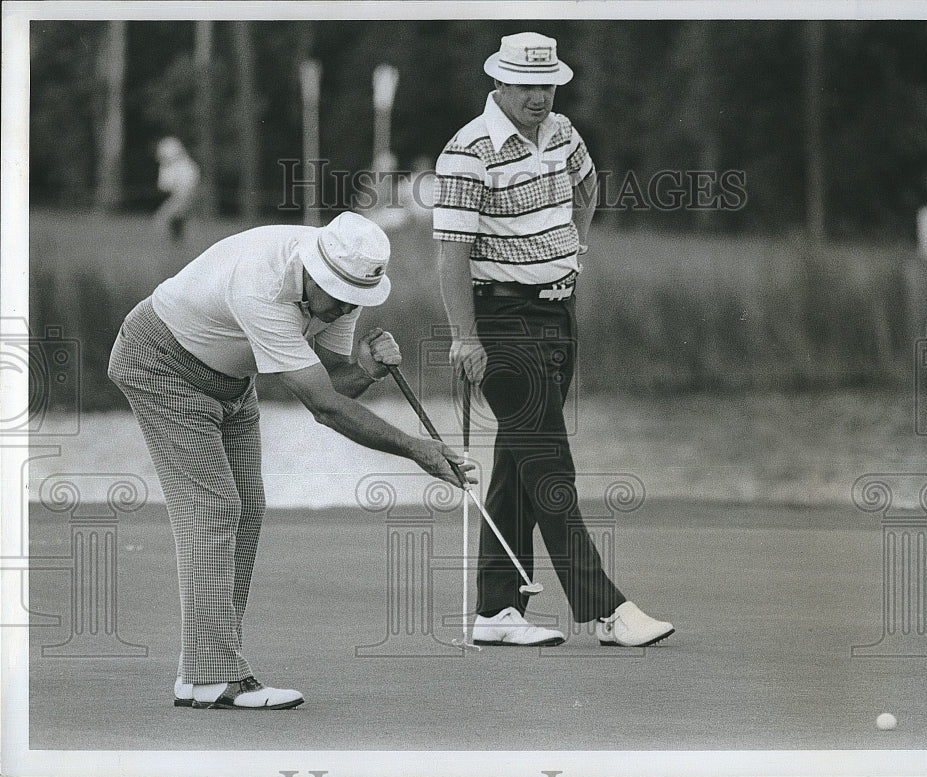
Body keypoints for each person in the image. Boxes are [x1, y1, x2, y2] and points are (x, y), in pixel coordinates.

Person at [108, 211, 472, 709]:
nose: (346, 308)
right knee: (214, 509)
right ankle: (218, 678)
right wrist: (417, 449)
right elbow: (324, 408)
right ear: (315, 273)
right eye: (339, 296)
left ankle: (202, 673)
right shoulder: (263, 286)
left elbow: (333, 382)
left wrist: (364, 367)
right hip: (160, 362)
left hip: (232, 379)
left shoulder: (342, 285)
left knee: (247, 508)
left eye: (355, 299)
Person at [433, 32, 674, 647]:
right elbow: (449, 253)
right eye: (527, 86)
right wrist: (464, 337)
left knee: (520, 461)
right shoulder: (468, 150)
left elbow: (588, 188)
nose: (540, 96)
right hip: (501, 321)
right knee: (550, 464)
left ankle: (495, 610)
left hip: (558, 315)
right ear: (500, 85)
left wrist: (572, 249)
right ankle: (606, 610)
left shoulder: (564, 133)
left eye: (547, 85)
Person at [154, 136, 201, 243]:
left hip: (183, 195)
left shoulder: (183, 165)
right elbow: (165, 186)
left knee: (163, 219)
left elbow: (167, 186)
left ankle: (174, 242)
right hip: (180, 195)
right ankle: (176, 241)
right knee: (176, 218)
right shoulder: (173, 166)